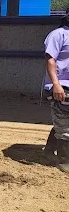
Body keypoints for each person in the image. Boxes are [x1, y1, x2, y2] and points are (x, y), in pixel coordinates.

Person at [43, 14, 69, 172]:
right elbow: (50, 60)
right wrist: (56, 84)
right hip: (62, 86)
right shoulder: (58, 34)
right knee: (64, 124)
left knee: (62, 122)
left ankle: (48, 150)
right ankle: (64, 161)